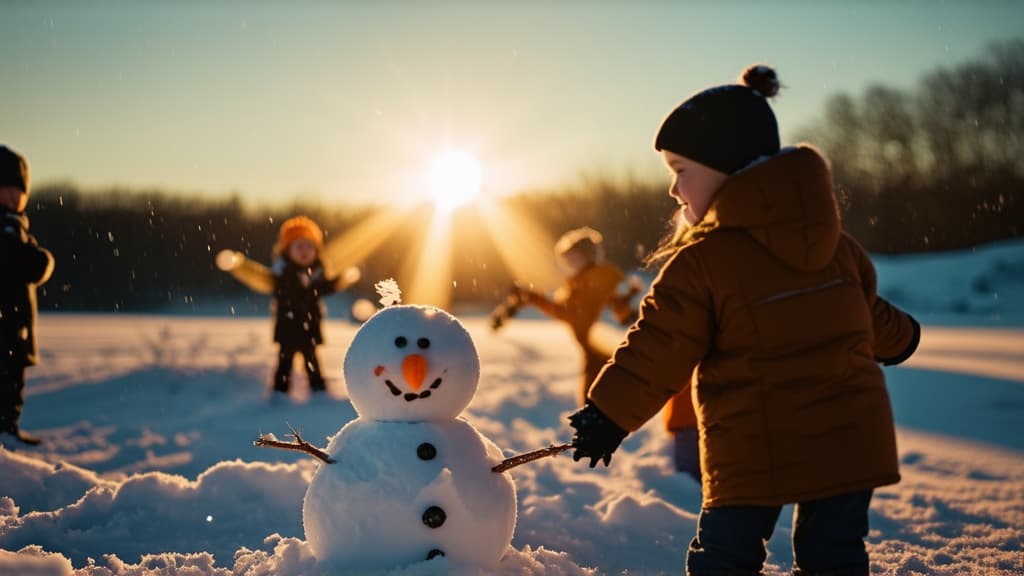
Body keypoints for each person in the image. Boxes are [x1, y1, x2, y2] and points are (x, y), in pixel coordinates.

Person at [567, 65, 921, 575]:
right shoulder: (838, 248)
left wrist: (608, 414)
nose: (673, 189)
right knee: (834, 558)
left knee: (724, 561)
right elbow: (866, 315)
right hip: (848, 442)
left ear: (726, 168)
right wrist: (905, 337)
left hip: (756, 449)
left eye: (680, 170)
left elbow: (659, 346)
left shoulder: (701, 263)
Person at [496, 226, 640, 405]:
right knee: (595, 405)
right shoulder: (584, 281)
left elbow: (570, 312)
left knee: (595, 404)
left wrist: (533, 297)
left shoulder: (596, 280)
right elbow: (567, 310)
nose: (567, 262)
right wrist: (532, 297)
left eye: (572, 256)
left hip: (604, 354)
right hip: (597, 354)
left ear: (585, 255)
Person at [217, 216, 358, 397]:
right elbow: (259, 277)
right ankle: (279, 395)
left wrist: (345, 278)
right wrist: (239, 265)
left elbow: (330, 286)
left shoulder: (317, 276)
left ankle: (319, 394)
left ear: (317, 251)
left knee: (313, 363)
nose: (304, 251)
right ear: (287, 250)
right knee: (285, 364)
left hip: (310, 330)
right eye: (299, 246)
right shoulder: (281, 276)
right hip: (287, 329)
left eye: (309, 246)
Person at [0, 145, 55, 446]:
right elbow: (25, 264)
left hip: (12, 324)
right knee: (7, 379)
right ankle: (5, 432)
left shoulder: (16, 226)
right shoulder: (8, 228)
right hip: (6, 325)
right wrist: (43, 259)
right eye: (5, 188)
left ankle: (8, 429)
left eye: (18, 190)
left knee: (12, 380)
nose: (13, 196)